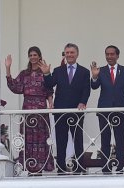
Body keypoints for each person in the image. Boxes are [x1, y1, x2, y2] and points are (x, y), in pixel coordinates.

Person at [39, 43, 90, 174]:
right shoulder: (58, 70)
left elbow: (86, 89)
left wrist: (82, 102)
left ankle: (79, 168)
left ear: (77, 54)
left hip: (77, 111)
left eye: (72, 52)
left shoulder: (84, 71)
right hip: (60, 111)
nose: (69, 55)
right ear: (64, 54)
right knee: (61, 140)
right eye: (67, 53)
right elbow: (50, 84)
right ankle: (61, 168)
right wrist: (46, 74)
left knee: (78, 139)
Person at [4, 46, 55, 175]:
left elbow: (49, 89)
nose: (33, 57)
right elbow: (14, 87)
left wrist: (50, 103)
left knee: (41, 140)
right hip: (27, 110)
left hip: (41, 110)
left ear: (39, 56)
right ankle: (29, 167)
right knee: (27, 139)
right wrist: (8, 69)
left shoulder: (44, 71)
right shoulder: (24, 73)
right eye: (30, 55)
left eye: (35, 55)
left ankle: (40, 169)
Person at [90, 45, 124, 174]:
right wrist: (95, 76)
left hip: (120, 110)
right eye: (107, 54)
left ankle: (120, 167)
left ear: (117, 55)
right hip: (104, 110)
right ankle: (106, 168)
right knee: (105, 139)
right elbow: (94, 86)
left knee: (120, 138)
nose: (109, 56)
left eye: (112, 54)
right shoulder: (100, 70)